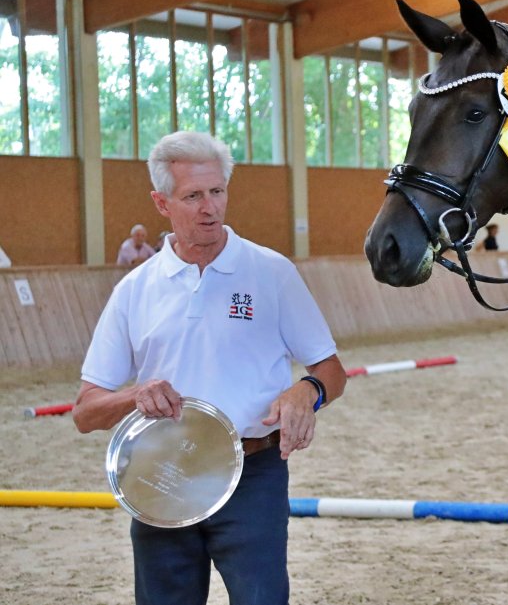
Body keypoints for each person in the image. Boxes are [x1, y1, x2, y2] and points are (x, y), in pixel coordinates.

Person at [72, 131, 347, 605]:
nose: (210, 208)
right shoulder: (134, 290)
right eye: (193, 196)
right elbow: (84, 412)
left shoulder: (272, 272)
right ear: (161, 203)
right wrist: (134, 396)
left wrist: (307, 390)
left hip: (253, 475)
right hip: (160, 476)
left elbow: (332, 370)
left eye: (217, 191)